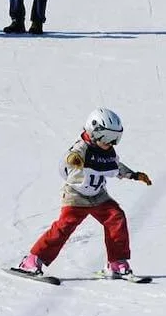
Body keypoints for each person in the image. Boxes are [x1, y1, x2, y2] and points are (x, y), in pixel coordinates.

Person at [15, 108, 151, 278]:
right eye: (108, 137)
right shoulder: (82, 148)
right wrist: (73, 161)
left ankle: (117, 263)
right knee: (63, 227)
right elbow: (68, 159)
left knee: (116, 218)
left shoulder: (108, 151)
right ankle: (31, 261)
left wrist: (134, 175)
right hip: (76, 196)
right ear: (94, 132)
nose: (111, 143)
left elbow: (115, 167)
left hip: (98, 196)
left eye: (116, 138)